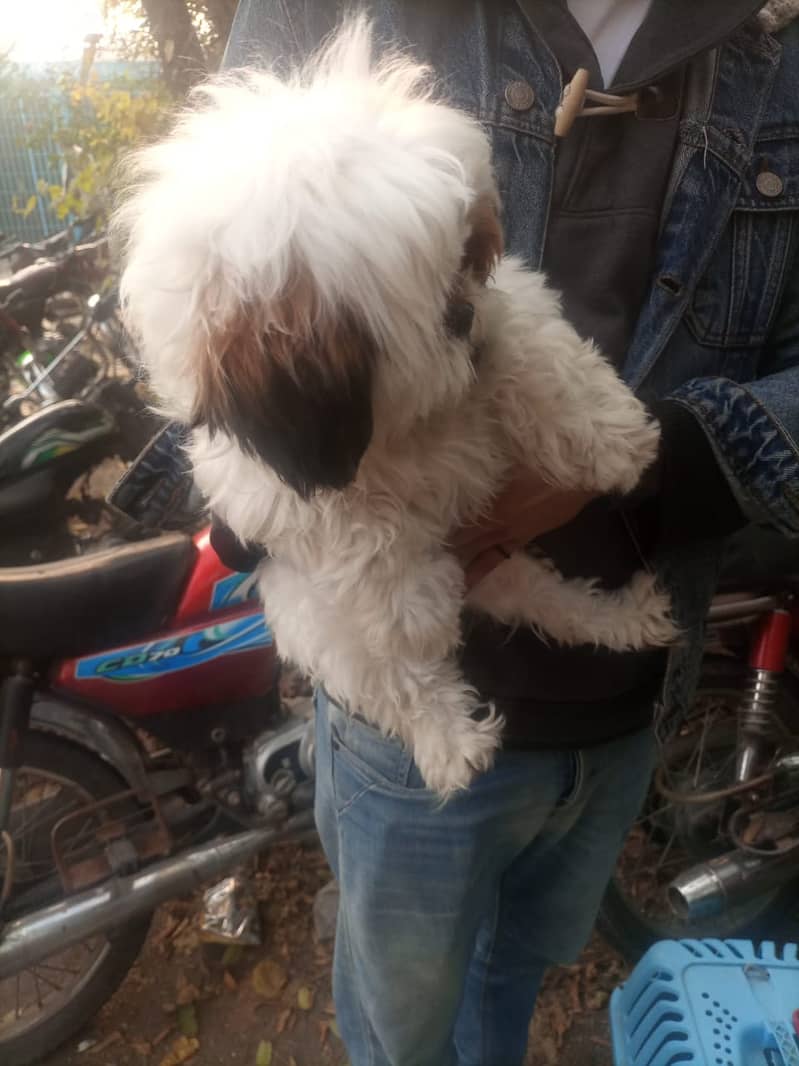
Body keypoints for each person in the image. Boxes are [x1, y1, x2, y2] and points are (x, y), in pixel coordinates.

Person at [209, 3, 799, 1064]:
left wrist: (669, 463)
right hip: (398, 724)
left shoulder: (780, 41)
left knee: (513, 977)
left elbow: (496, 313)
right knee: (401, 1027)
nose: (467, 310)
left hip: (627, 706)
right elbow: (214, 295)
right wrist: (250, 494)